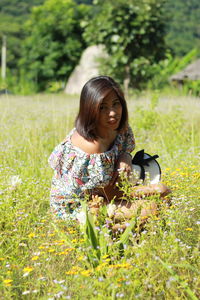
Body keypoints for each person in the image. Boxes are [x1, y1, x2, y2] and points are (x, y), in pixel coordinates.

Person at [48, 76, 171, 221]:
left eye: (116, 104)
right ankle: (112, 233)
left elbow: (125, 145)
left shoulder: (117, 127)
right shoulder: (93, 146)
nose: (112, 113)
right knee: (154, 206)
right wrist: (155, 189)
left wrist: (126, 156)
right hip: (78, 208)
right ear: (90, 109)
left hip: (102, 196)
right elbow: (109, 194)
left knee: (160, 203)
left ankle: (122, 230)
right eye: (102, 107)